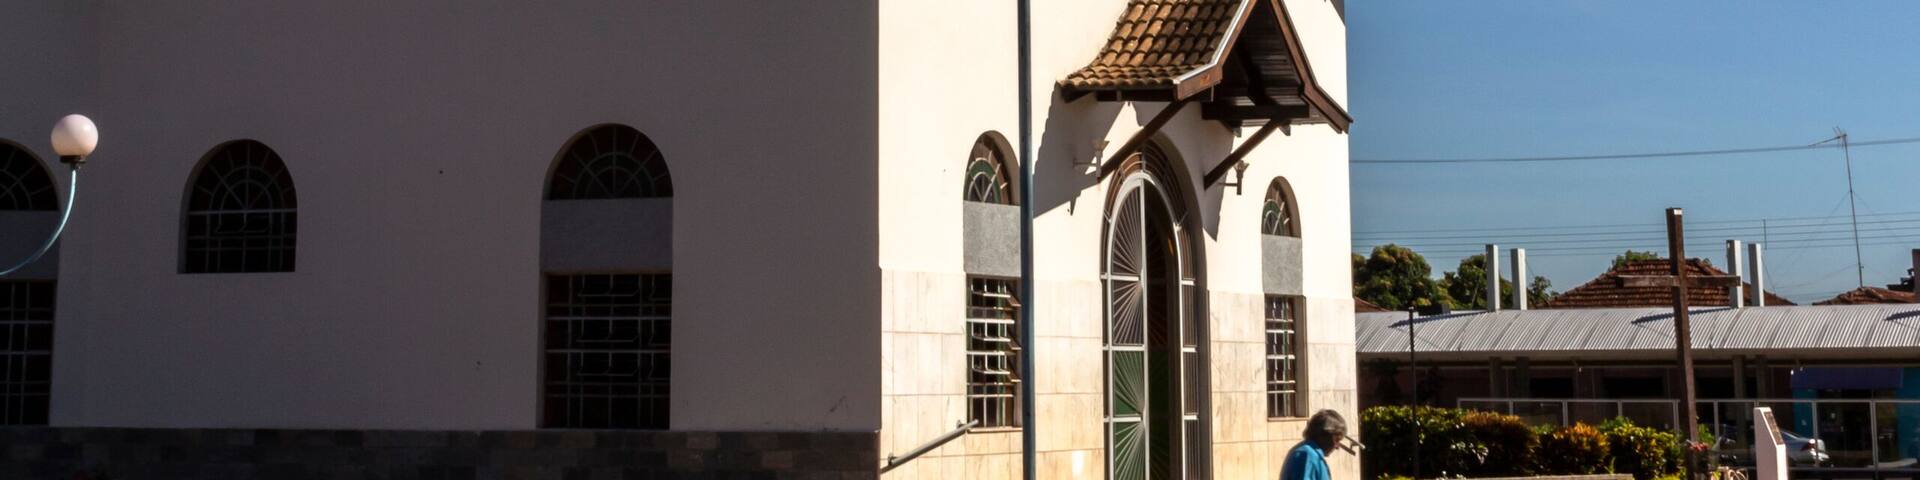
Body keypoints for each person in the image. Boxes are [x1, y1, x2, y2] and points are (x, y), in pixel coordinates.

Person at [1280, 409, 1348, 480]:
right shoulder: (1307, 455)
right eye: (1336, 440)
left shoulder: (1311, 455)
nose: (1337, 447)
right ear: (1323, 435)